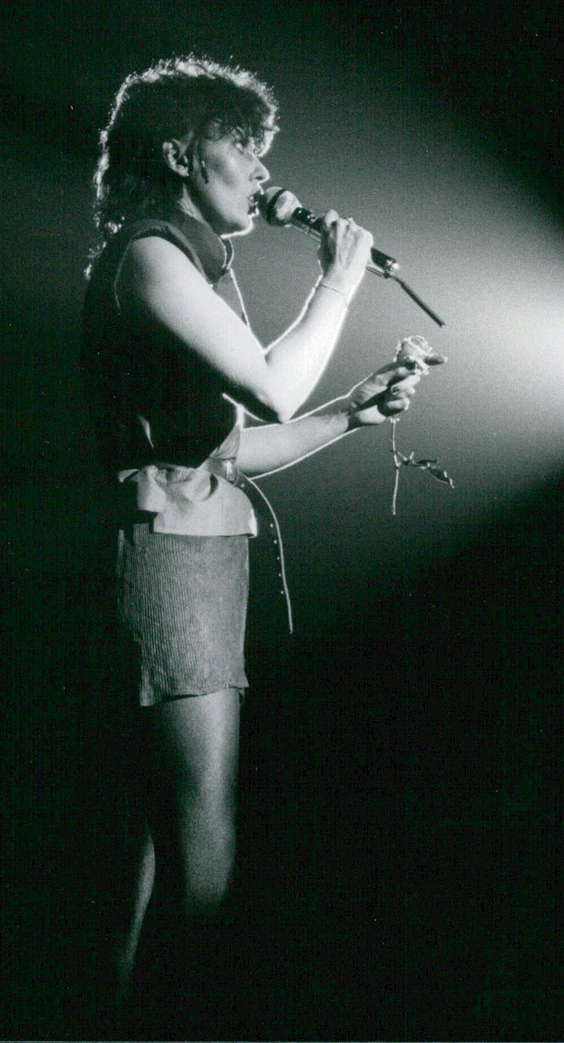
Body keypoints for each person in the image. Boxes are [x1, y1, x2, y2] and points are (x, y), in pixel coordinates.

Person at [80, 54, 443, 1035]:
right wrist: (338, 280)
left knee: (139, 860)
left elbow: (236, 444)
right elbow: (267, 388)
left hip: (184, 550)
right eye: (239, 142)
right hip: (166, 560)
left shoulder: (187, 261)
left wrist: (351, 412)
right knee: (200, 852)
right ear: (176, 149)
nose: (258, 163)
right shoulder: (151, 253)